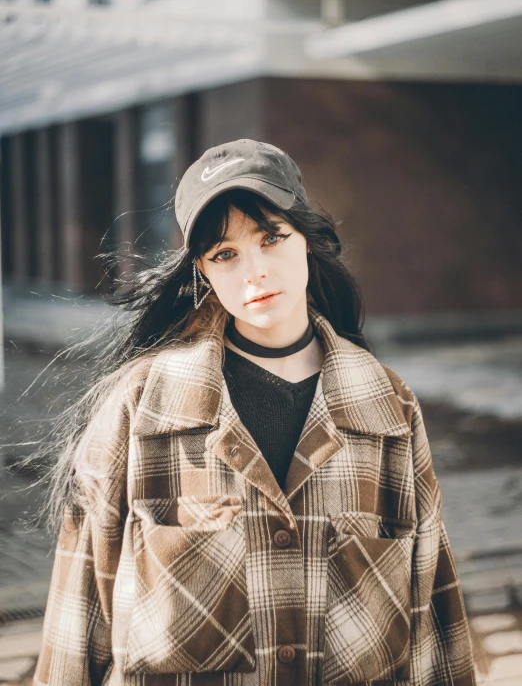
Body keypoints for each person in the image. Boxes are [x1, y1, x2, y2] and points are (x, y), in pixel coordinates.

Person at [33, 139, 476, 686]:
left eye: (272, 238)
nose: (255, 271)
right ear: (202, 271)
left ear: (307, 242)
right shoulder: (142, 407)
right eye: (225, 254)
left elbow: (433, 614)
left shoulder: (387, 408)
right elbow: (79, 617)